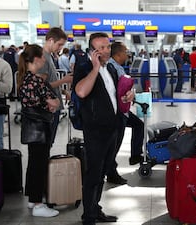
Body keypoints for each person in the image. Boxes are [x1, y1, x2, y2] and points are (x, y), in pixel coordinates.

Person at [74, 32, 132, 225]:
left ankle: (95, 208)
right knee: (93, 173)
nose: (105, 51)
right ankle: (88, 216)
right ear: (92, 51)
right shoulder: (84, 68)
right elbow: (81, 91)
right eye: (100, 48)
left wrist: (125, 98)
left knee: (103, 172)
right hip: (95, 130)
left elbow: (113, 95)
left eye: (107, 47)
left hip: (112, 128)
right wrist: (95, 67)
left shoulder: (112, 70)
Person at [17, 44, 60, 217]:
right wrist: (52, 104)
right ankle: (37, 204)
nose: (44, 59)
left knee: (34, 164)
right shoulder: (36, 80)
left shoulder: (25, 79)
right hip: (41, 128)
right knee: (39, 165)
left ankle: (32, 199)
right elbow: (55, 102)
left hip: (31, 128)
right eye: (42, 57)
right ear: (35, 59)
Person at [107, 41, 143, 185]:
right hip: (118, 113)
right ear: (118, 54)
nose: (127, 54)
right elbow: (117, 91)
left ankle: (135, 154)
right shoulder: (113, 68)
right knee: (114, 144)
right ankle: (111, 173)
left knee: (138, 125)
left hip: (122, 110)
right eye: (125, 52)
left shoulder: (114, 67)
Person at [38, 27, 73, 145]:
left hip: (54, 105)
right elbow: (40, 86)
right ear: (51, 40)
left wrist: (63, 92)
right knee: (46, 143)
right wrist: (64, 80)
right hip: (49, 108)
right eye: (59, 45)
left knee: (49, 142)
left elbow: (50, 81)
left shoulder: (50, 56)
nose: (60, 48)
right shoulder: (42, 58)